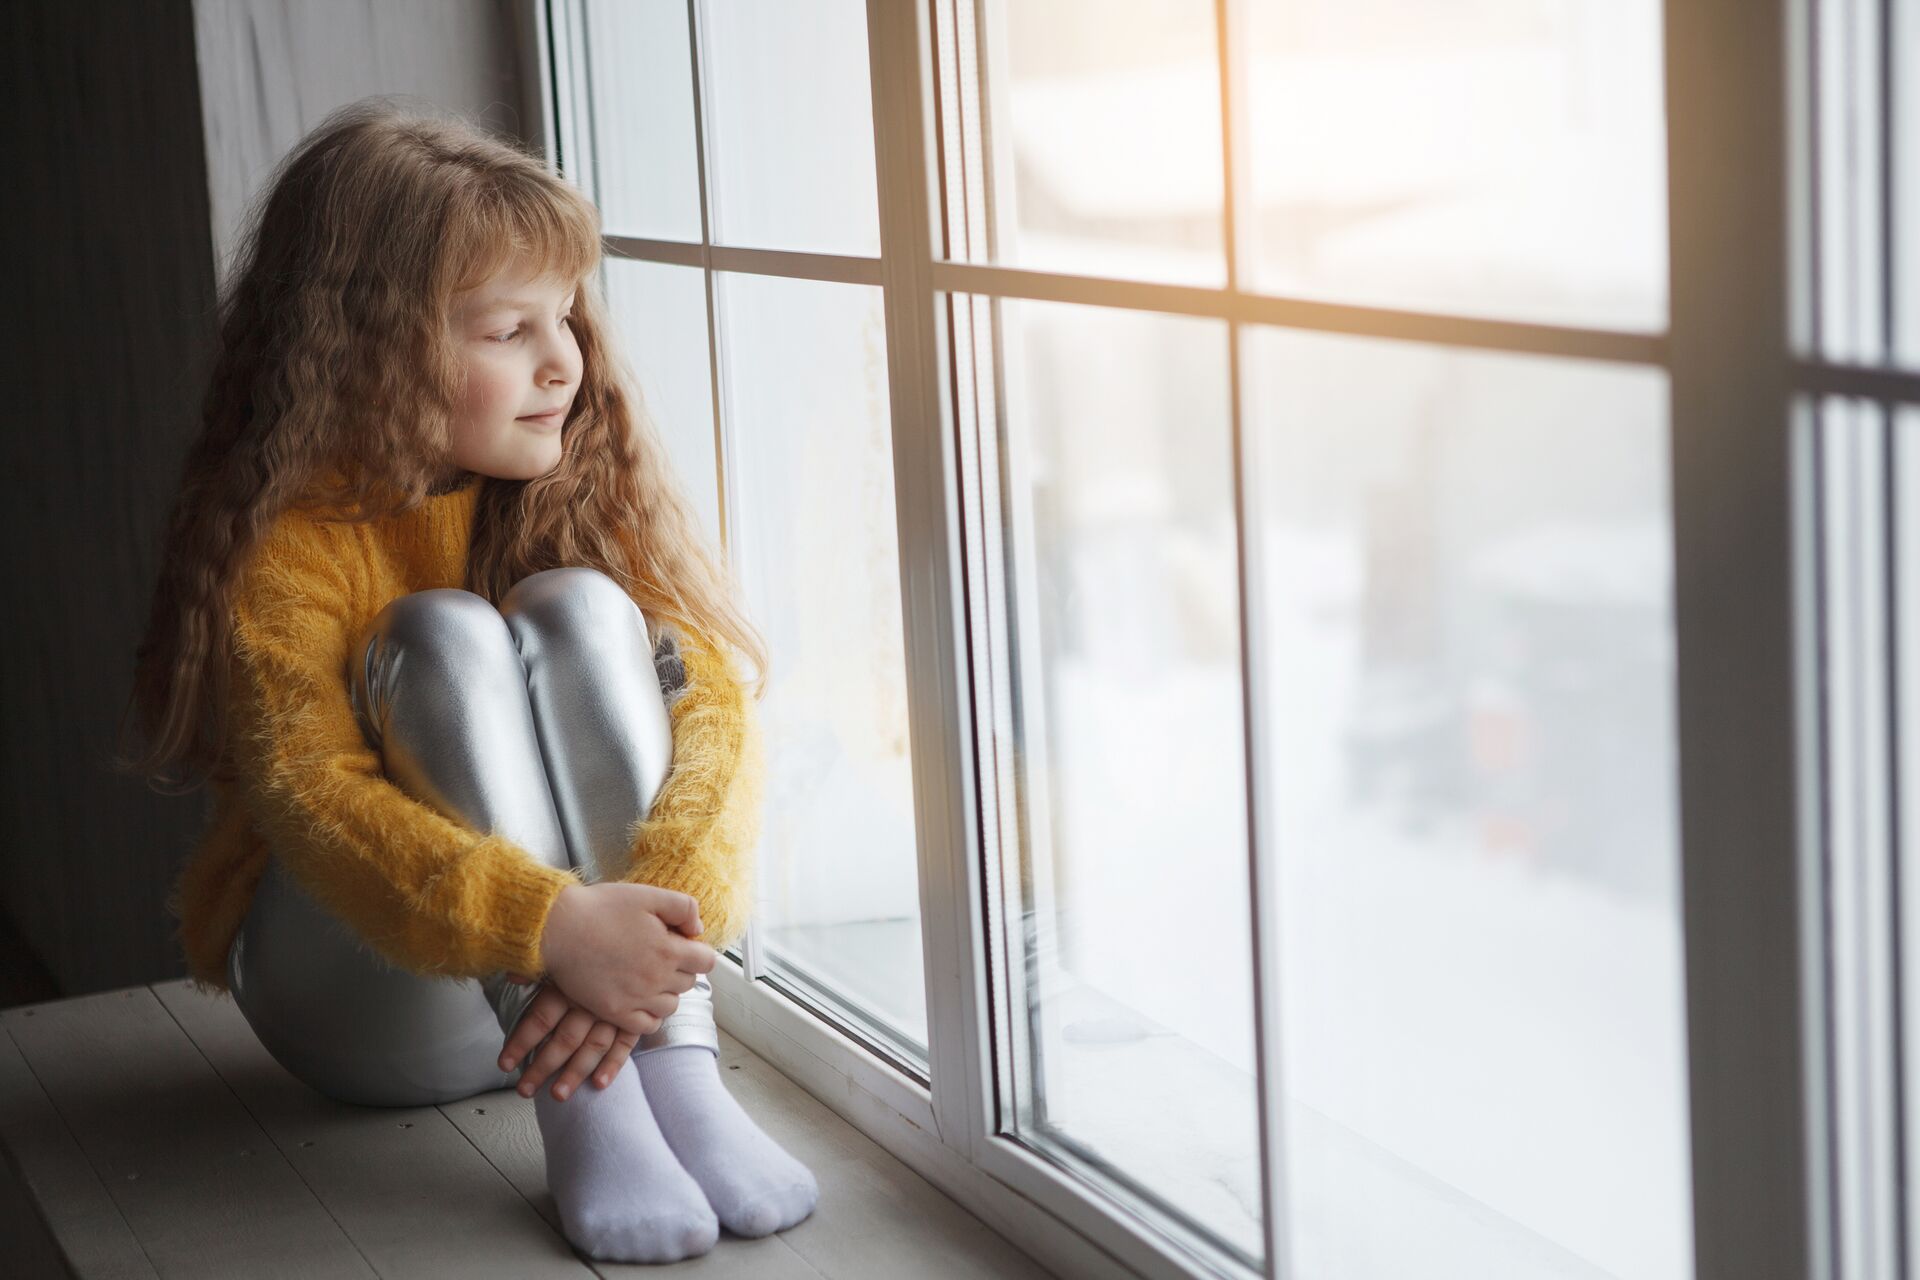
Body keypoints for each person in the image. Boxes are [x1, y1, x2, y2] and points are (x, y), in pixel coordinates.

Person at [113, 96, 816, 1264]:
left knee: (588, 611)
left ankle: (679, 1076)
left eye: (566, 318)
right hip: (362, 993)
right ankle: (592, 1112)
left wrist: (648, 932)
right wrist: (549, 921)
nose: (562, 365)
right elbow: (315, 799)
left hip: (611, 980)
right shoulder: (292, 543)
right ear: (366, 353)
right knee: (440, 637)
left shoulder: (572, 479)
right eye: (506, 332)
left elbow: (714, 710)